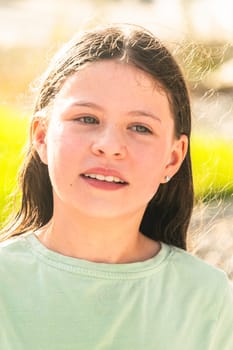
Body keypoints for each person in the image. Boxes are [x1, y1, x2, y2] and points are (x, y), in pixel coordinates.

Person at [0, 23, 232, 350]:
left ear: (172, 158)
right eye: (87, 119)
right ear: (41, 136)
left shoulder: (206, 297)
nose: (109, 146)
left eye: (139, 127)